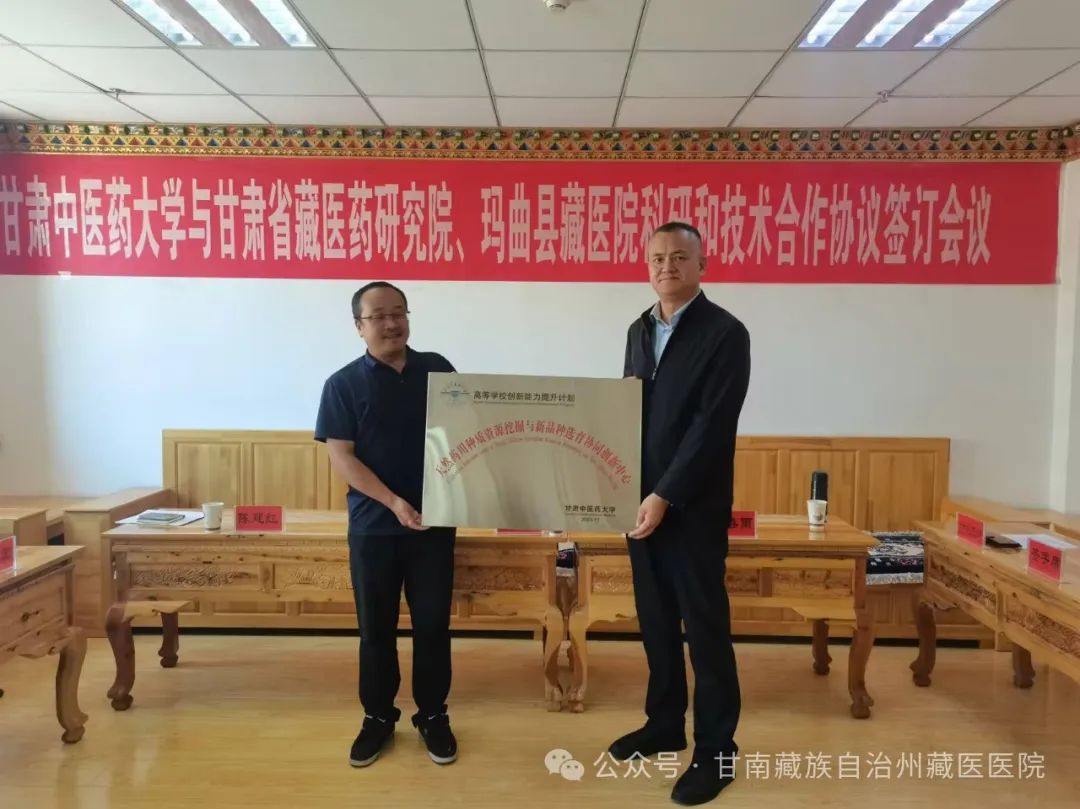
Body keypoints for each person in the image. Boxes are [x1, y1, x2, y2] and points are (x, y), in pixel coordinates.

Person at [611, 222, 751, 805]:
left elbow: (710, 427)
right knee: (656, 620)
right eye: (656, 258)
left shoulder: (725, 333)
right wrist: (616, 485)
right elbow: (625, 410)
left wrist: (665, 493)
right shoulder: (638, 329)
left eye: (678, 257)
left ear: (701, 264)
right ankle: (665, 723)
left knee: (705, 628)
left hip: (691, 507)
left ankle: (717, 750)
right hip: (639, 505)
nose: (666, 266)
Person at [315, 281, 458, 768]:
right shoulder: (342, 385)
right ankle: (377, 717)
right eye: (379, 316)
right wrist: (394, 502)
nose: (392, 323)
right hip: (374, 527)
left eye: (399, 313)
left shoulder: (438, 370)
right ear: (359, 326)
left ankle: (433, 715)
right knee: (376, 629)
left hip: (435, 525)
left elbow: (469, 435)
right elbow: (342, 457)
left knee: (433, 626)